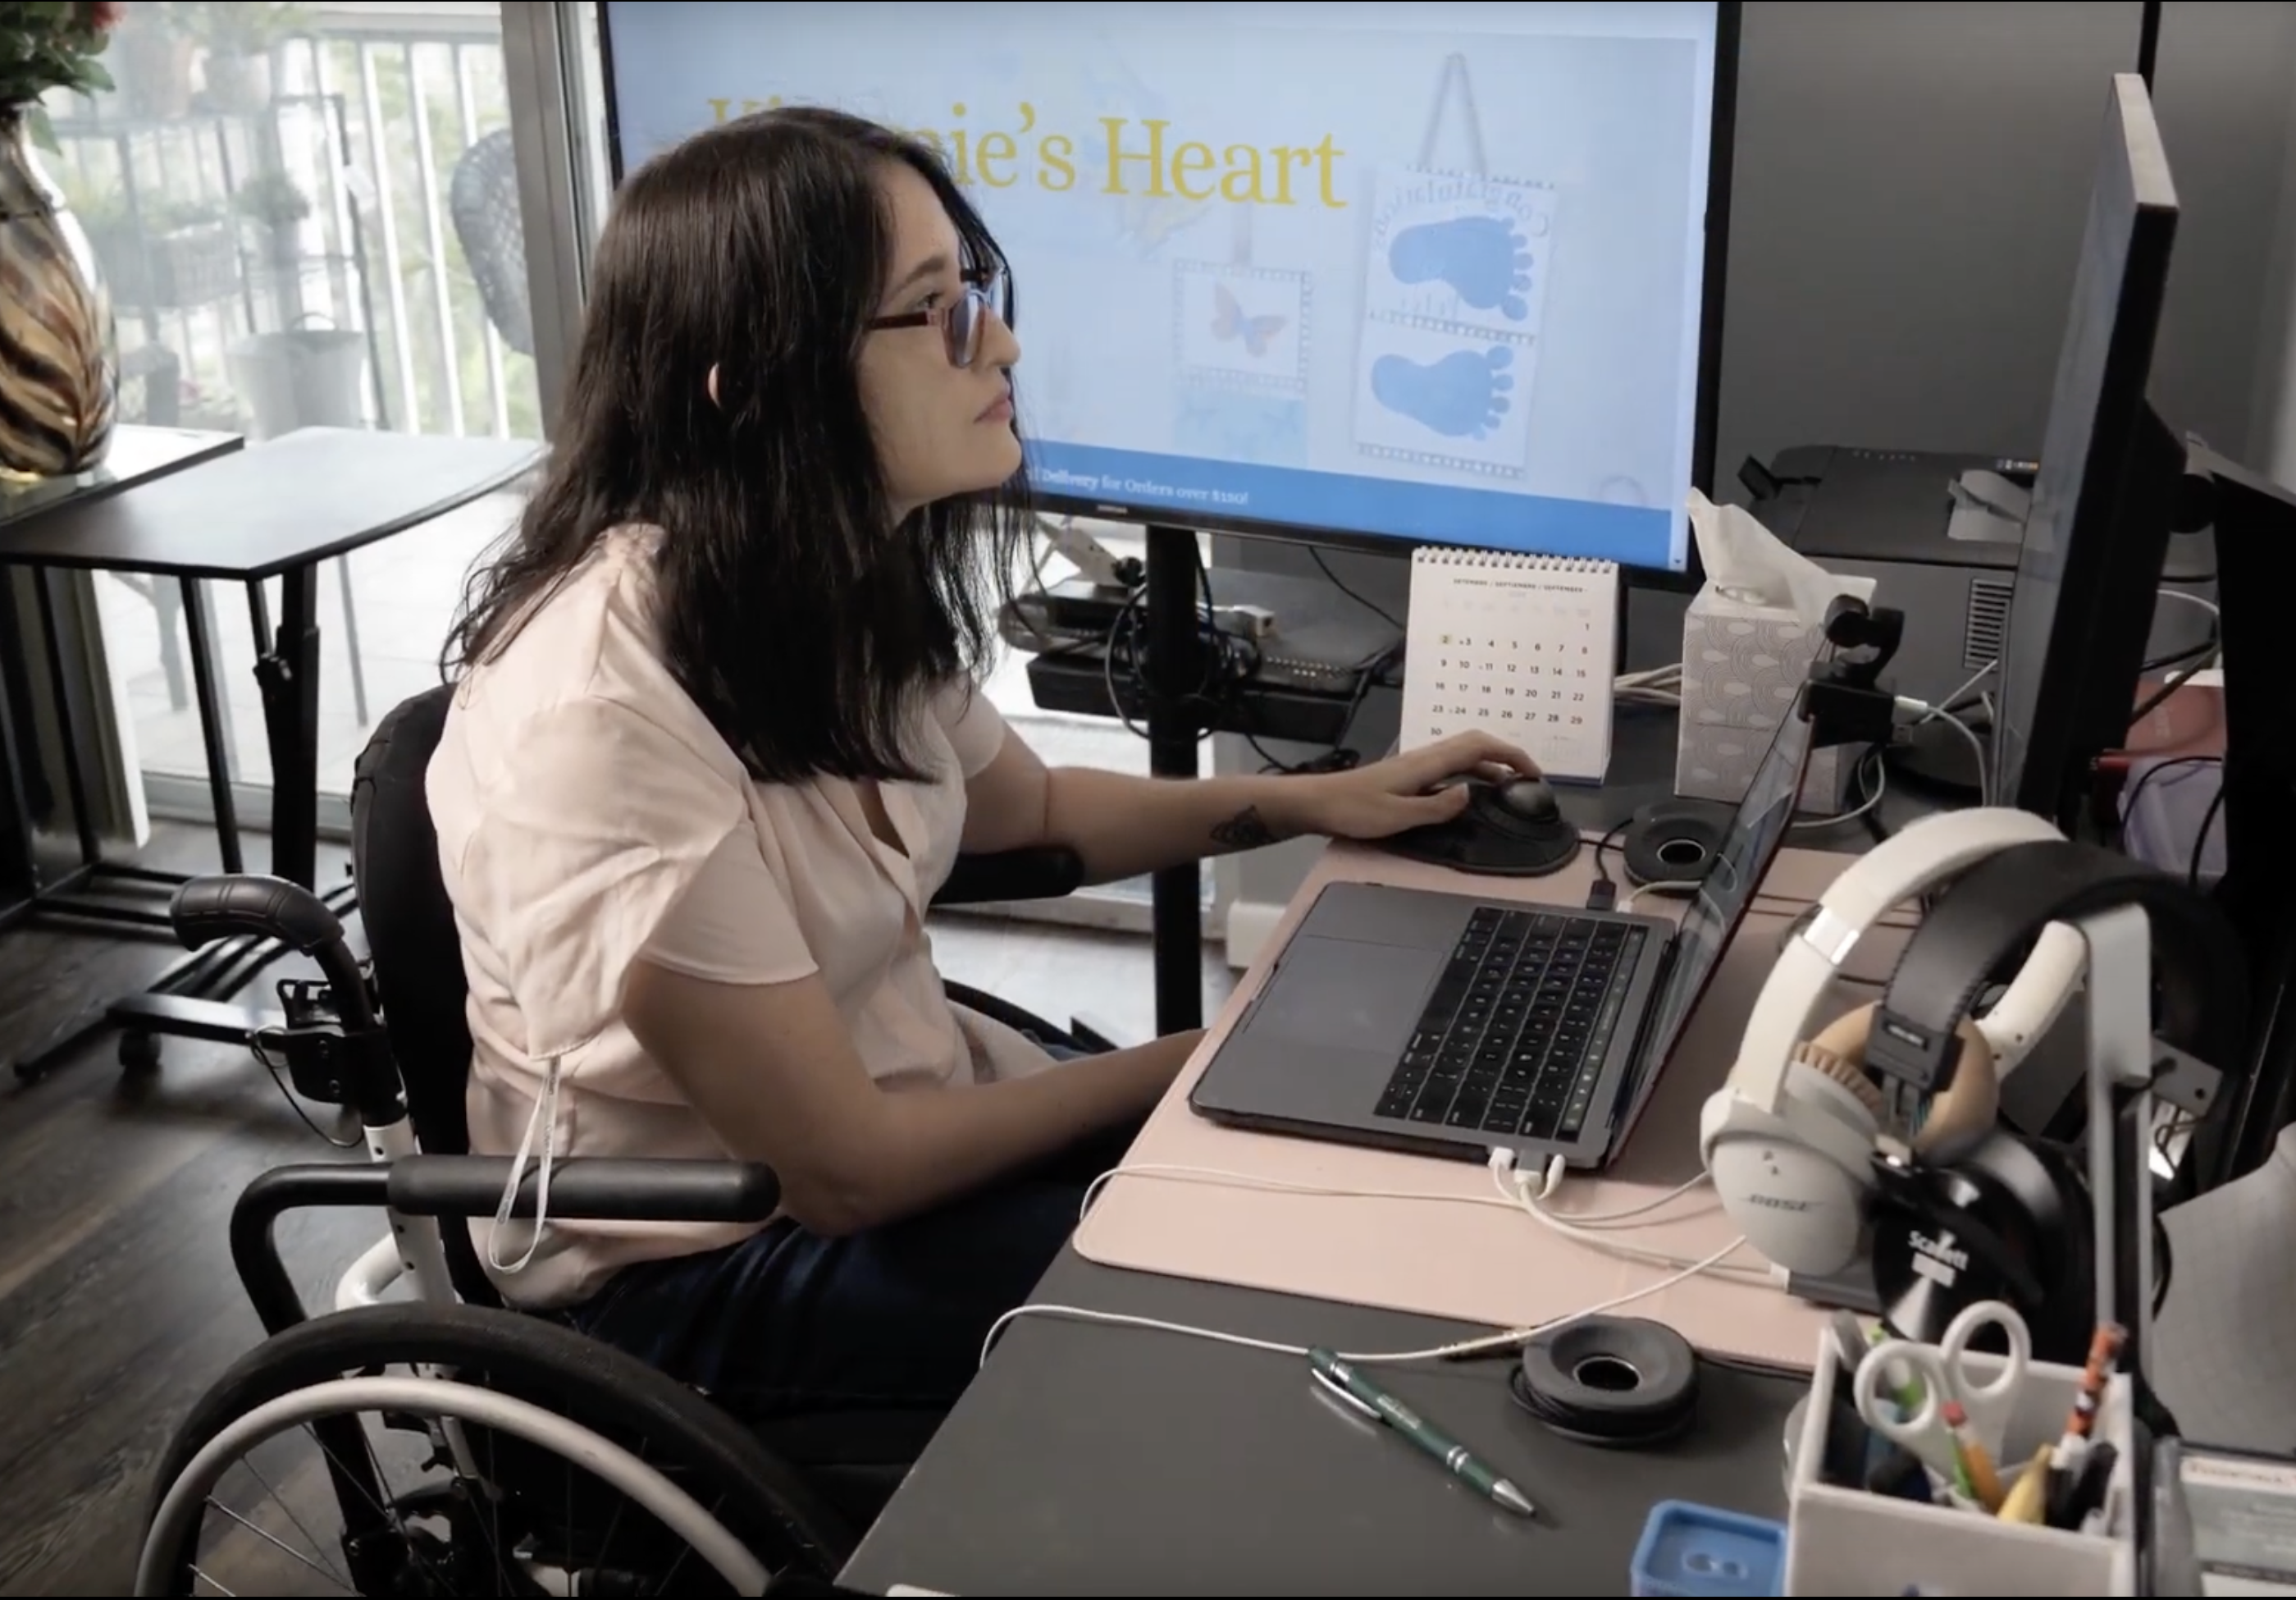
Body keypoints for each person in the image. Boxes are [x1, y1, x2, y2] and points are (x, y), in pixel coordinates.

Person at [427, 106, 1536, 1421]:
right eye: (936, 311)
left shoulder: (818, 587)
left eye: (980, 296)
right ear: (757, 388)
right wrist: (1228, 1048)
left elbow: (1038, 810)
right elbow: (849, 1170)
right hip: (708, 1272)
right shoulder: (599, 723)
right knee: (1245, 1282)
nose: (998, 343)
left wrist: (1314, 800)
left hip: (897, 1136)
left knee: (1292, 1182)